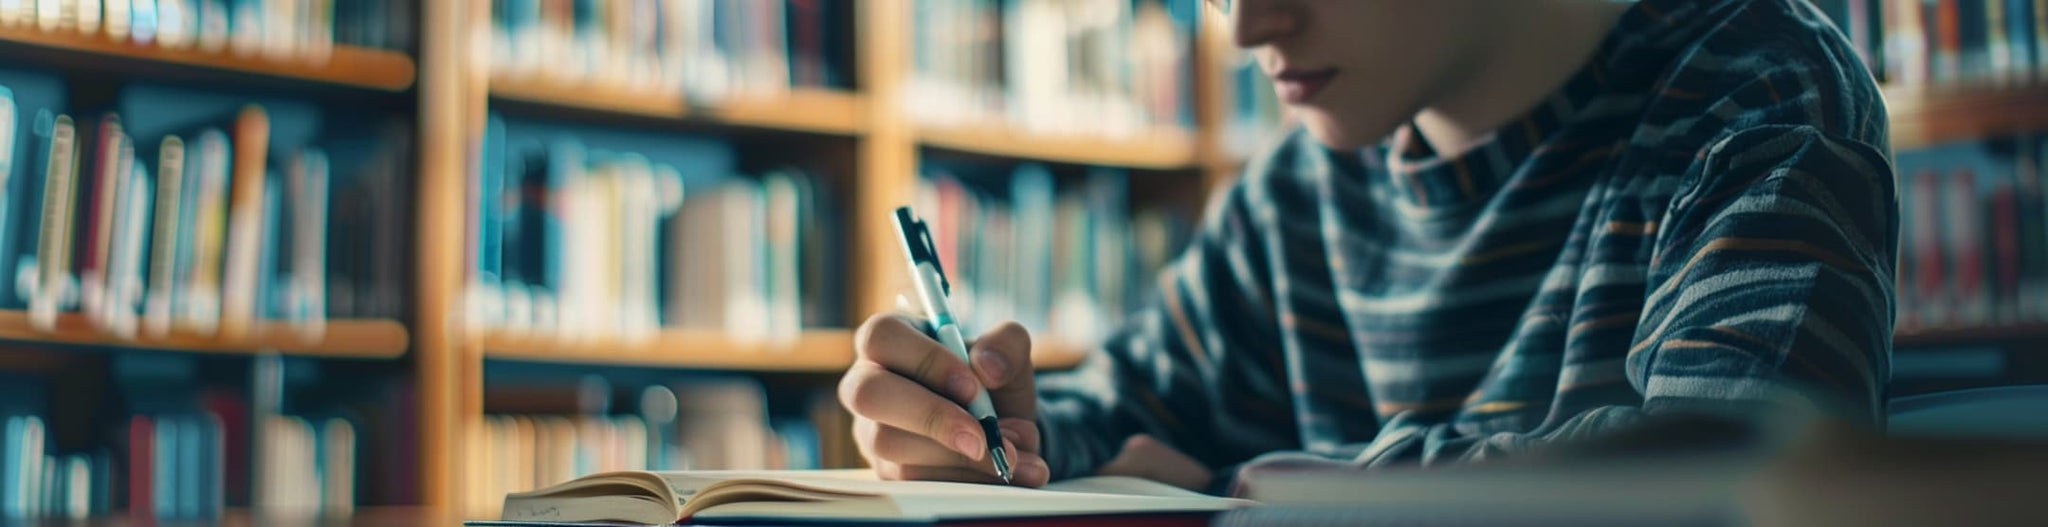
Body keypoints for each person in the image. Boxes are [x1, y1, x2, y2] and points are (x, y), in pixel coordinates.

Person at [839, 0, 1895, 494]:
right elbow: (1116, 417)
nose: (1247, 28)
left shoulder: (1755, 90)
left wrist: (1241, 485)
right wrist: (985, 430)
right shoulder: (1298, 185)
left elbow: (1734, 475)